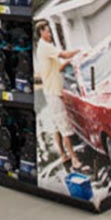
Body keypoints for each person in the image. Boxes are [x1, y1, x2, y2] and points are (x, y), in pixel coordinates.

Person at [35, 19, 84, 172]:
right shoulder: (46, 47)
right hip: (54, 93)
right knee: (65, 128)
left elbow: (58, 67)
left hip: (50, 91)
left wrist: (70, 62)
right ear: (41, 32)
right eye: (48, 31)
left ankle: (63, 155)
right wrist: (79, 51)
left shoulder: (45, 48)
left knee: (57, 126)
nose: (50, 34)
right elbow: (65, 54)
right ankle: (74, 159)